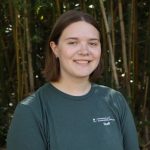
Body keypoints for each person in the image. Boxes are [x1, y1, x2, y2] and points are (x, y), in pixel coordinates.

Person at [7, 10, 140, 150]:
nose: (84, 51)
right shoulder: (31, 111)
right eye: (73, 42)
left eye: (93, 43)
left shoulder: (115, 100)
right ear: (55, 48)